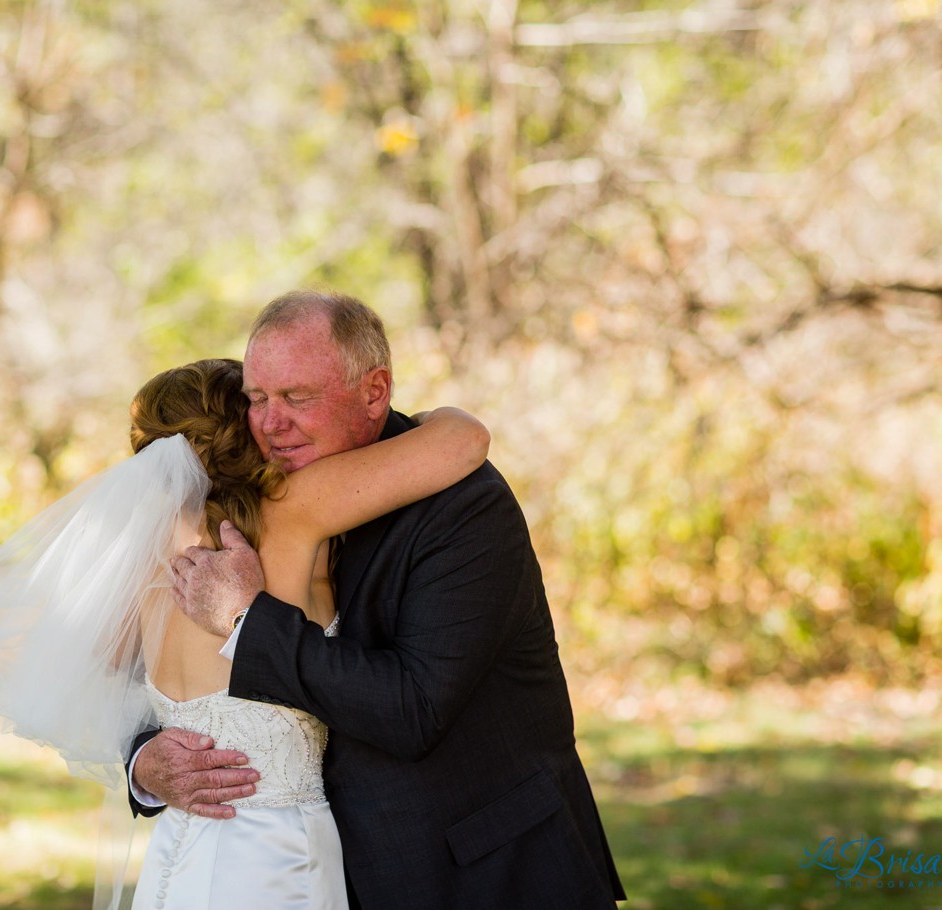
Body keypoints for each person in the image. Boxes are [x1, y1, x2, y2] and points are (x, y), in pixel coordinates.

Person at [0, 355, 491, 910]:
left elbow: (88, 668)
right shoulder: (293, 511)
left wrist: (144, 759)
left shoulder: (149, 551)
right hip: (277, 858)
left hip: (180, 849)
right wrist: (423, 417)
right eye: (258, 403)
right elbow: (464, 442)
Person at [135, 290, 625, 909]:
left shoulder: (463, 506)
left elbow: (413, 708)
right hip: (294, 868)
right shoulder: (229, 523)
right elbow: (131, 678)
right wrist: (146, 763)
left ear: (374, 392)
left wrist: (245, 620)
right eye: (257, 399)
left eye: (297, 397)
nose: (271, 423)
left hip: (479, 877)